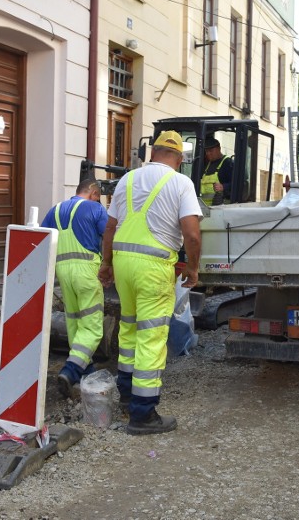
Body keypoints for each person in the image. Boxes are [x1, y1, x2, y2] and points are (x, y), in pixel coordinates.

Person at [98, 130, 202, 435]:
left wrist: (107, 263)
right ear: (179, 159)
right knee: (152, 336)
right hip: (154, 266)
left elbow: (110, 228)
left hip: (124, 263)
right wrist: (193, 269)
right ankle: (143, 414)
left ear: (152, 152)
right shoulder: (181, 183)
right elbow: (192, 235)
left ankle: (127, 396)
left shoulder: (127, 180)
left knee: (129, 328)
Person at [41, 180, 108, 398]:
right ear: (94, 193)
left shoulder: (55, 210)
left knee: (75, 320)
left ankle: (85, 371)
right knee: (92, 326)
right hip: (87, 270)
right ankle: (71, 370)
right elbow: (109, 236)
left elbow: (42, 239)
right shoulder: (95, 208)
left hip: (63, 271)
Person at [200, 136, 233, 205]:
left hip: (219, 207)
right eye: (206, 151)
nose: (208, 153)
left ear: (219, 149)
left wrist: (223, 187)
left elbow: (237, 184)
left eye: (211, 151)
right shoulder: (207, 164)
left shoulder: (227, 163)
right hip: (204, 207)